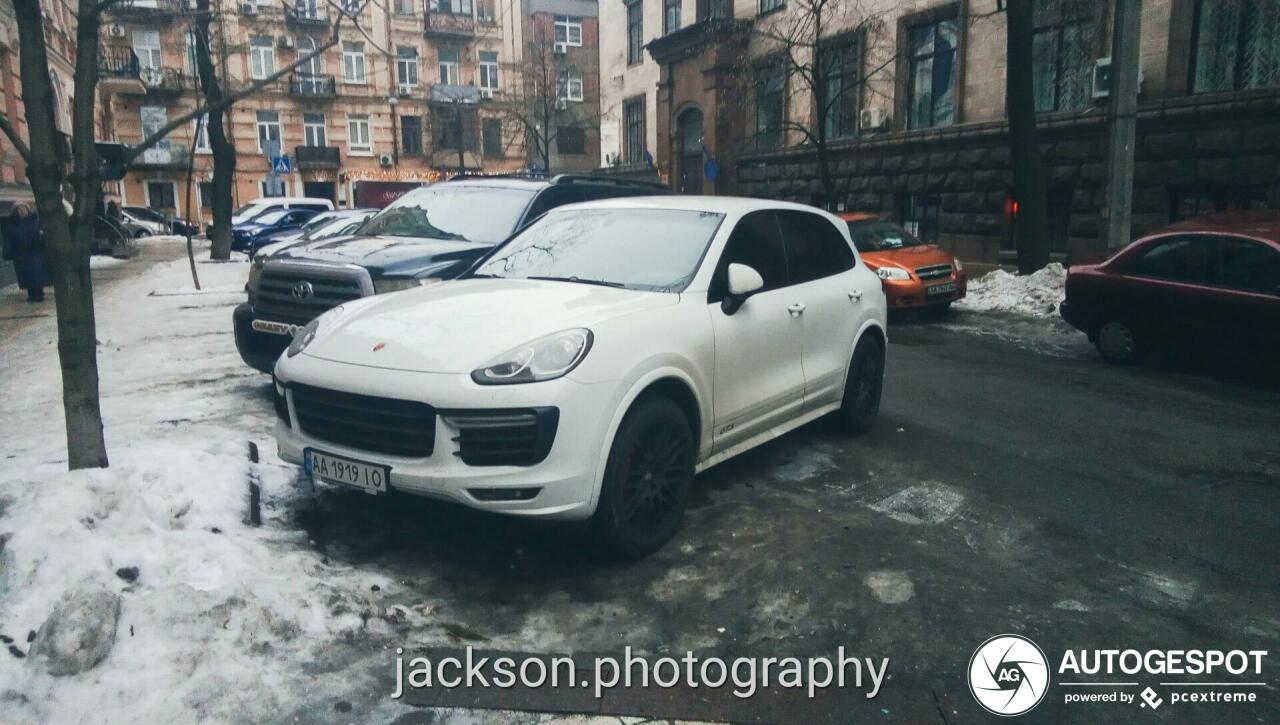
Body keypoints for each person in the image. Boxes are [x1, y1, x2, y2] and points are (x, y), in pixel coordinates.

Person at [1, 203, 50, 302]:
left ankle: (38, 294)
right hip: (21, 256)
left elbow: (42, 237)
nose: (22, 211)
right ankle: (32, 294)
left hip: (35, 254)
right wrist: (8, 252)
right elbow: (8, 240)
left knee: (36, 275)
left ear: (28, 210)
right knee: (26, 276)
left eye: (24, 209)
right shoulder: (13, 224)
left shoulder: (35, 221)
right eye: (19, 209)